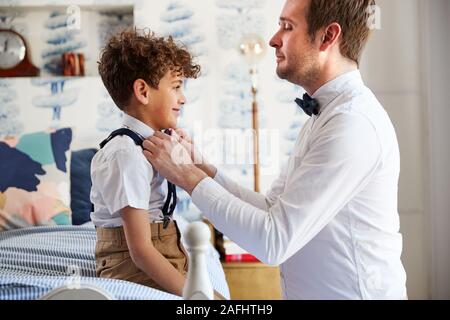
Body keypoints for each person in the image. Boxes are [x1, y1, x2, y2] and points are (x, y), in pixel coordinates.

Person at [143, 0, 408, 300]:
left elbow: (273, 240)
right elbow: (272, 208)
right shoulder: (324, 116)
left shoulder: (352, 124)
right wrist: (204, 170)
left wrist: (187, 177)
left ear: (328, 36)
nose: (273, 39)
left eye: (287, 26)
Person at [89, 28, 200, 297]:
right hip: (132, 267)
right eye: (176, 87)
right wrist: (194, 294)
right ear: (143, 91)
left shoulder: (152, 144)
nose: (183, 98)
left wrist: (188, 156)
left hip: (161, 254)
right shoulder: (126, 154)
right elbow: (140, 251)